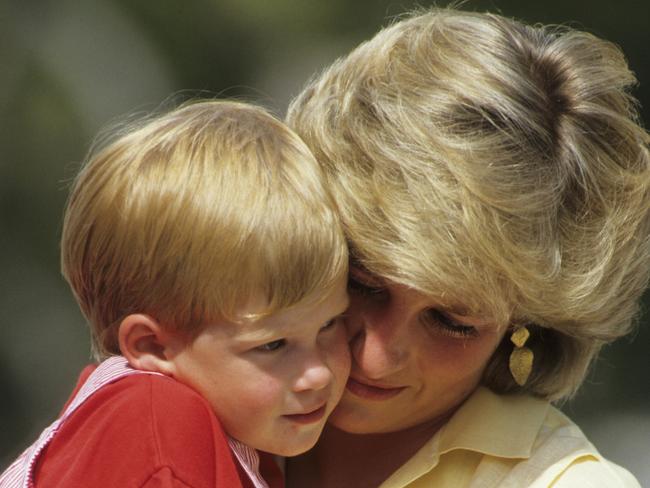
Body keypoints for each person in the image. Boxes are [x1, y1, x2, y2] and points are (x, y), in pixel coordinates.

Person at [285, 7, 650, 488]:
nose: (377, 356)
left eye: (453, 323)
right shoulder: (179, 371)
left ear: (523, 326)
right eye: (362, 283)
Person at [0, 100, 351, 488]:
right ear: (152, 346)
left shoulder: (215, 430)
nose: (317, 374)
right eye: (273, 345)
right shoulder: (157, 432)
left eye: (331, 324)